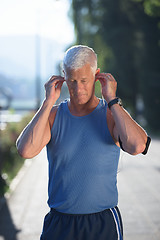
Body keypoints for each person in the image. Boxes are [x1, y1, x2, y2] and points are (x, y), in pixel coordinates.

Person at [16, 45, 151, 240]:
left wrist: (112, 99)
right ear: (64, 76)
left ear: (96, 75)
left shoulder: (110, 115)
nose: (78, 89)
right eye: (72, 81)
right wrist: (47, 103)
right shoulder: (54, 116)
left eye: (84, 81)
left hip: (102, 223)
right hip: (60, 223)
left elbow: (138, 146)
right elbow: (25, 150)